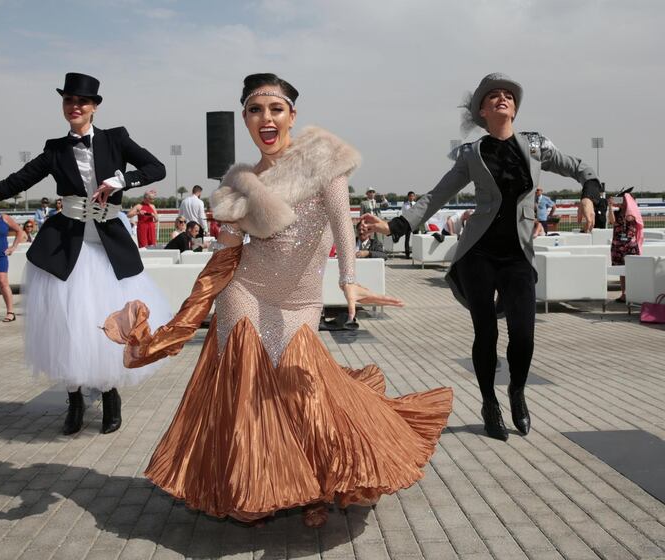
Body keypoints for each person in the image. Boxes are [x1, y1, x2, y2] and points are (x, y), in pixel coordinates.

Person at [103, 73, 452, 528]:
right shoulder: (239, 188)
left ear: (291, 115)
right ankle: (256, 485)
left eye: (274, 109)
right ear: (246, 118)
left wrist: (349, 279)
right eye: (254, 110)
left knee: (300, 385)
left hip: (300, 298)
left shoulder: (320, 162)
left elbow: (342, 223)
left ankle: (313, 479)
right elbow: (228, 252)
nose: (265, 118)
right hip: (246, 289)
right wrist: (217, 253)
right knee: (247, 384)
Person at [363, 73, 602, 442]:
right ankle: (489, 401)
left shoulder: (536, 146)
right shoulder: (472, 153)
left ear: (515, 108)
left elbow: (580, 167)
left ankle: (517, 392)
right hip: (479, 255)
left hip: (518, 255)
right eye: (493, 96)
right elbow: (437, 195)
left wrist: (589, 194)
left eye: (508, 95)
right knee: (486, 332)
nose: (502, 99)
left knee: (523, 336)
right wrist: (394, 226)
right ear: (482, 111)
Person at [0, 72, 171, 435]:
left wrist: (121, 180)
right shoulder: (55, 149)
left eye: (81, 101)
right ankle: (75, 399)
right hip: (67, 249)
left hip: (108, 248)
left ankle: (110, 395)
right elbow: (11, 183)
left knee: (112, 323)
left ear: (94, 107)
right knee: (68, 326)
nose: (74, 107)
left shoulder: (116, 139)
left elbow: (157, 168)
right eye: (68, 101)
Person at [611, 188, 644, 303]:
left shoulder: (632, 212)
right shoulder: (616, 212)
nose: (620, 201)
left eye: (623, 200)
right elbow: (612, 221)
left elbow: (629, 218)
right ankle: (623, 293)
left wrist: (627, 204)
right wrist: (610, 207)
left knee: (631, 270)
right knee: (621, 270)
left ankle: (632, 293)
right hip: (618, 244)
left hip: (629, 245)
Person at [399, 191, 419, 258]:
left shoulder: (416, 204)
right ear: (408, 197)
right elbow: (403, 214)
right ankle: (407, 254)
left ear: (414, 197)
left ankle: (417, 253)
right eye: (410, 196)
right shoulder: (405, 205)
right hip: (407, 224)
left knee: (416, 238)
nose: (411, 197)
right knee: (407, 239)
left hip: (415, 223)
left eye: (413, 196)